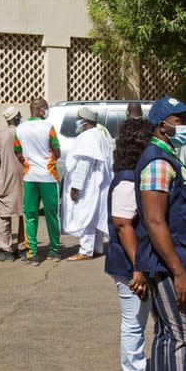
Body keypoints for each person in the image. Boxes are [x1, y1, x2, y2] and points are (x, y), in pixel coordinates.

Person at [134, 96, 186, 371]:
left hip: (172, 260)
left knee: (165, 334)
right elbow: (155, 220)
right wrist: (179, 271)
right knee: (182, 337)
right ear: (163, 125)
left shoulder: (171, 157)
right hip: (169, 263)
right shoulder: (159, 162)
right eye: (180, 120)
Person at [103, 117, 154, 371]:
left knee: (146, 319)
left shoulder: (135, 173)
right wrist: (139, 267)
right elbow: (123, 224)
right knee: (134, 322)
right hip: (129, 266)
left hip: (138, 264)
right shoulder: (127, 178)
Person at [63, 107, 113, 261]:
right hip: (99, 185)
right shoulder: (99, 135)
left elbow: (84, 164)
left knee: (85, 216)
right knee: (94, 217)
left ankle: (85, 250)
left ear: (84, 121)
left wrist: (76, 187)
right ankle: (96, 248)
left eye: (78, 119)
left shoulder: (88, 137)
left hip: (88, 186)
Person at [15, 98, 61, 265]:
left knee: (30, 215)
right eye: (46, 108)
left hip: (30, 177)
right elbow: (57, 150)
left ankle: (32, 254)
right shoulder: (49, 127)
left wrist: (27, 162)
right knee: (52, 215)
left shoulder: (20, 128)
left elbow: (17, 151)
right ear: (41, 109)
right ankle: (54, 251)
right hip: (49, 177)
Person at [0, 106, 24, 262]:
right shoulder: (23, 133)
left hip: (5, 179)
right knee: (25, 214)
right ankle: (24, 247)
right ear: (17, 118)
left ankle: (6, 249)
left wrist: (0, 166)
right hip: (24, 178)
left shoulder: (0, 135)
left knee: (3, 214)